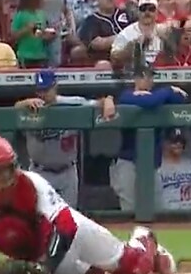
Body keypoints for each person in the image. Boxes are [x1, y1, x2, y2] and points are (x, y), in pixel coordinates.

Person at [0, 133, 176, 274]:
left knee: (136, 271)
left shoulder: (31, 184)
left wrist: (46, 268)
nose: (6, 177)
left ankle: (143, 239)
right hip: (42, 251)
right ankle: (88, 267)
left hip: (74, 234)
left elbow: (66, 225)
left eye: (8, 169)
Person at [15, 70, 116, 208]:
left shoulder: (72, 104)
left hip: (67, 172)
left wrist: (108, 100)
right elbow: (13, 112)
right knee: (39, 218)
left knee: (70, 219)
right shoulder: (29, 108)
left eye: (46, 89)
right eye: (40, 90)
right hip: (40, 172)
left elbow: (99, 103)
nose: (42, 94)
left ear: (55, 86)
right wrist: (23, 103)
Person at [111, 64, 188, 212]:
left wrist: (166, 93)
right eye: (144, 76)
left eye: (150, 76)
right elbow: (148, 103)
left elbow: (181, 99)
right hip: (129, 163)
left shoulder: (158, 96)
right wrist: (168, 90)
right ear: (136, 79)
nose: (148, 80)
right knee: (129, 211)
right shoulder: (126, 95)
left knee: (157, 211)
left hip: (152, 165)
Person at [156, 128, 191, 212]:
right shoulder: (157, 166)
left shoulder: (189, 163)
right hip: (166, 215)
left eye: (181, 141)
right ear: (164, 142)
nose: (178, 144)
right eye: (174, 141)